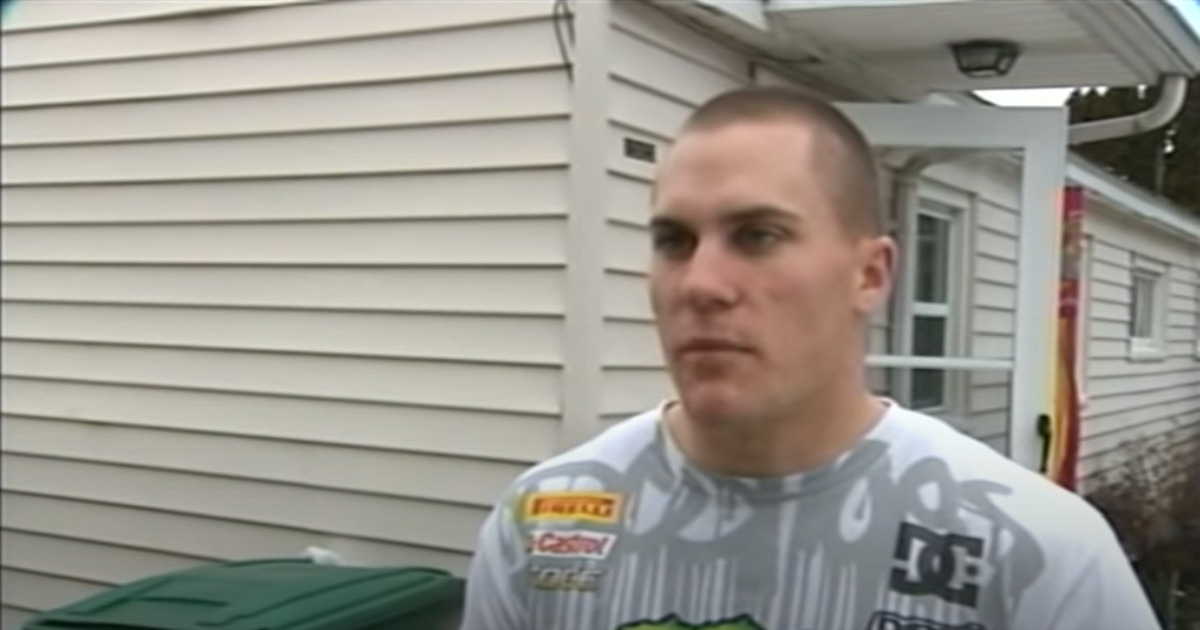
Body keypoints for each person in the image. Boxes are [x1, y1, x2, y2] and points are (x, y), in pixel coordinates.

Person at [458, 86, 1160, 630]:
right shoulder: (542, 524)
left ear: (871, 275)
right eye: (674, 242)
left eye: (758, 236)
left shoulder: (1036, 553)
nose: (700, 284)